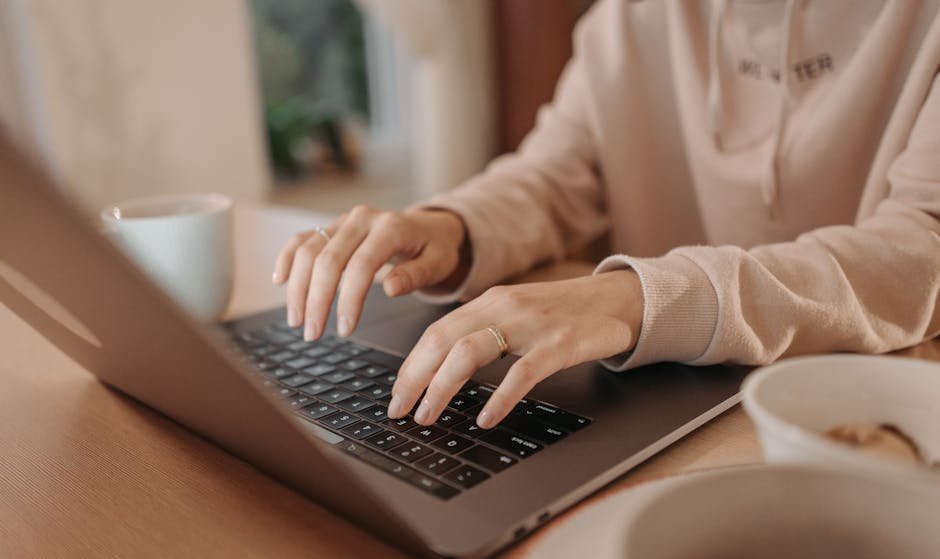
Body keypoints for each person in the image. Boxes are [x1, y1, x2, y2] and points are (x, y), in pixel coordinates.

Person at [272, 0, 940, 431]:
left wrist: (636, 299)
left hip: (861, 416)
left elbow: (920, 249)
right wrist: (453, 227)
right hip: (664, 411)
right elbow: (554, 178)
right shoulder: (625, 22)